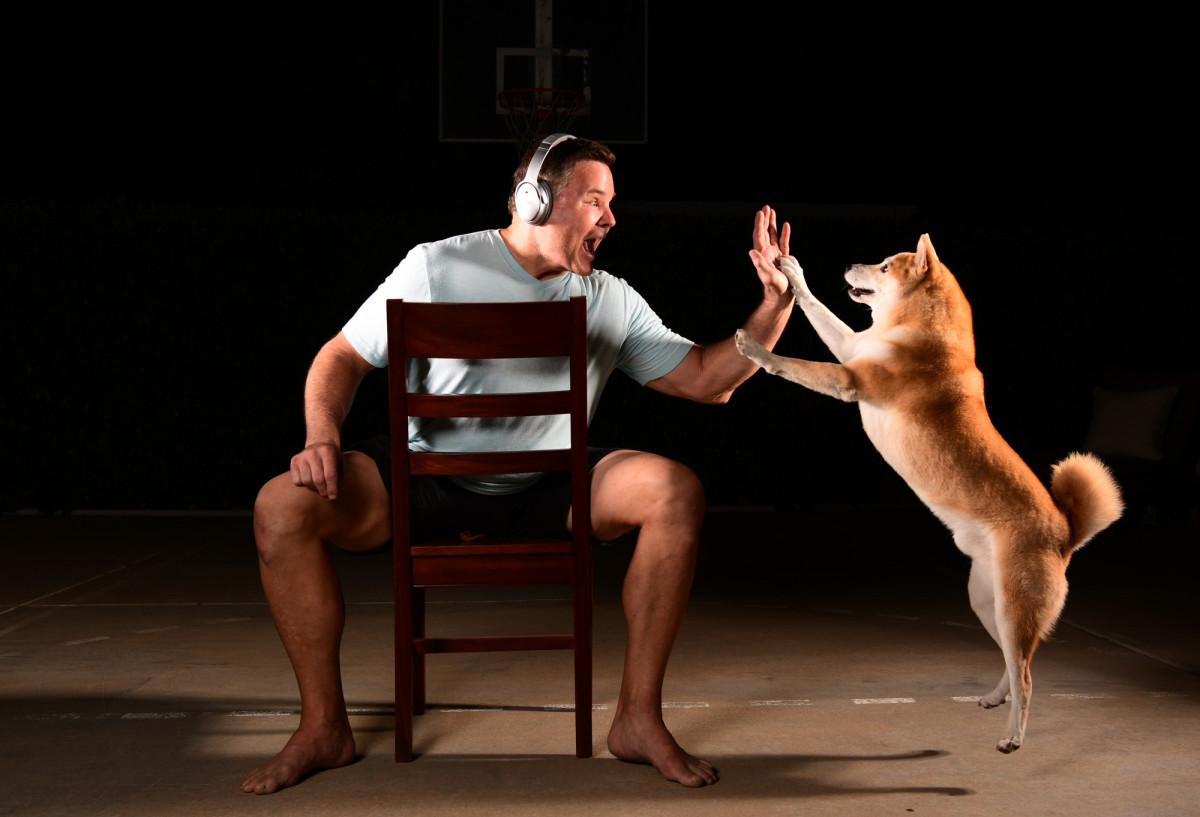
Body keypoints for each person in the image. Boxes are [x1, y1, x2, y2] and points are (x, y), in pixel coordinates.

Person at [241, 135, 793, 795]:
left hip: (550, 486)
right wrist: (321, 434)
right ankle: (323, 726)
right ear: (540, 200)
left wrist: (777, 303)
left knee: (674, 490)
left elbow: (708, 378)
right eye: (596, 201)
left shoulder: (608, 296)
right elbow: (341, 356)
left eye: (611, 203)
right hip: (423, 481)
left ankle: (638, 720)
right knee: (281, 505)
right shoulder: (434, 267)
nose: (611, 219)